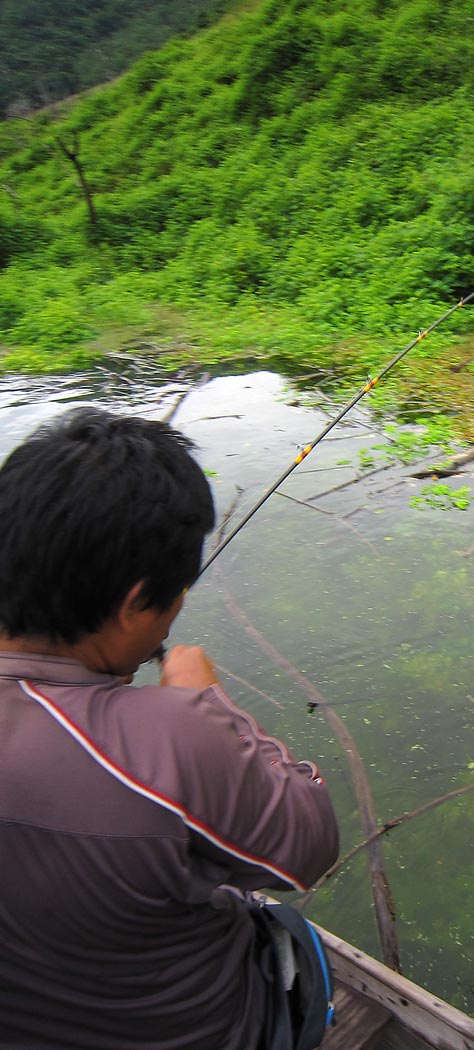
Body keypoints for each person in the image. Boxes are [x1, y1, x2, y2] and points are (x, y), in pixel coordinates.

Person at [0, 407, 339, 1050]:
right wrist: (205, 703)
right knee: (295, 940)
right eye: (176, 595)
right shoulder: (172, 738)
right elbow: (311, 842)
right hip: (196, 1032)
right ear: (134, 605)